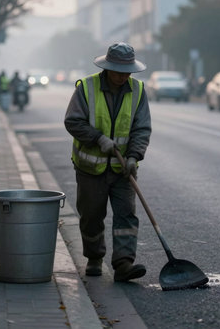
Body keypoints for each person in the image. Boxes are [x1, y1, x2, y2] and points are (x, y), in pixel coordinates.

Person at [64, 42, 152, 282]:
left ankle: (124, 263)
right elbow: (72, 122)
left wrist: (134, 156)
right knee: (92, 215)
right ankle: (94, 257)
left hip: (123, 169)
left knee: (126, 215)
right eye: (118, 71)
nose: (123, 77)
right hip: (90, 168)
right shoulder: (86, 88)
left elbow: (142, 128)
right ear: (107, 68)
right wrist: (98, 138)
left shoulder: (138, 91)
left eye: (127, 72)